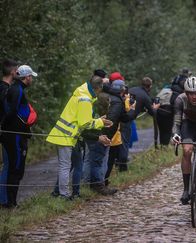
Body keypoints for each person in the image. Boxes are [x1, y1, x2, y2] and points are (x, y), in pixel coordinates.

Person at [46, 75, 113, 199]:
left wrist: (98, 120)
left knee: (69, 165)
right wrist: (100, 122)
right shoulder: (85, 100)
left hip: (67, 135)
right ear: (98, 88)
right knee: (65, 166)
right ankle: (64, 195)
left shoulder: (82, 94)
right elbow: (85, 123)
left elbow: (83, 119)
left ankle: (62, 193)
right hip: (66, 135)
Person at [88, 78, 135, 195]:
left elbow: (124, 117)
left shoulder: (110, 98)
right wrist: (104, 136)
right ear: (122, 89)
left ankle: (96, 184)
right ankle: (98, 186)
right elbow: (111, 120)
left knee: (94, 159)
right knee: (98, 160)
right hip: (103, 135)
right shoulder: (117, 101)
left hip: (96, 132)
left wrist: (132, 110)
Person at [0, 65, 38, 208]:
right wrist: (6, 127)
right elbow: (11, 111)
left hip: (16, 134)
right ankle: (10, 203)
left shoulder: (17, 88)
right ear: (26, 77)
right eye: (31, 77)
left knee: (16, 168)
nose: (31, 79)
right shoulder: (17, 90)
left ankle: (11, 201)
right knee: (15, 169)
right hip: (14, 135)